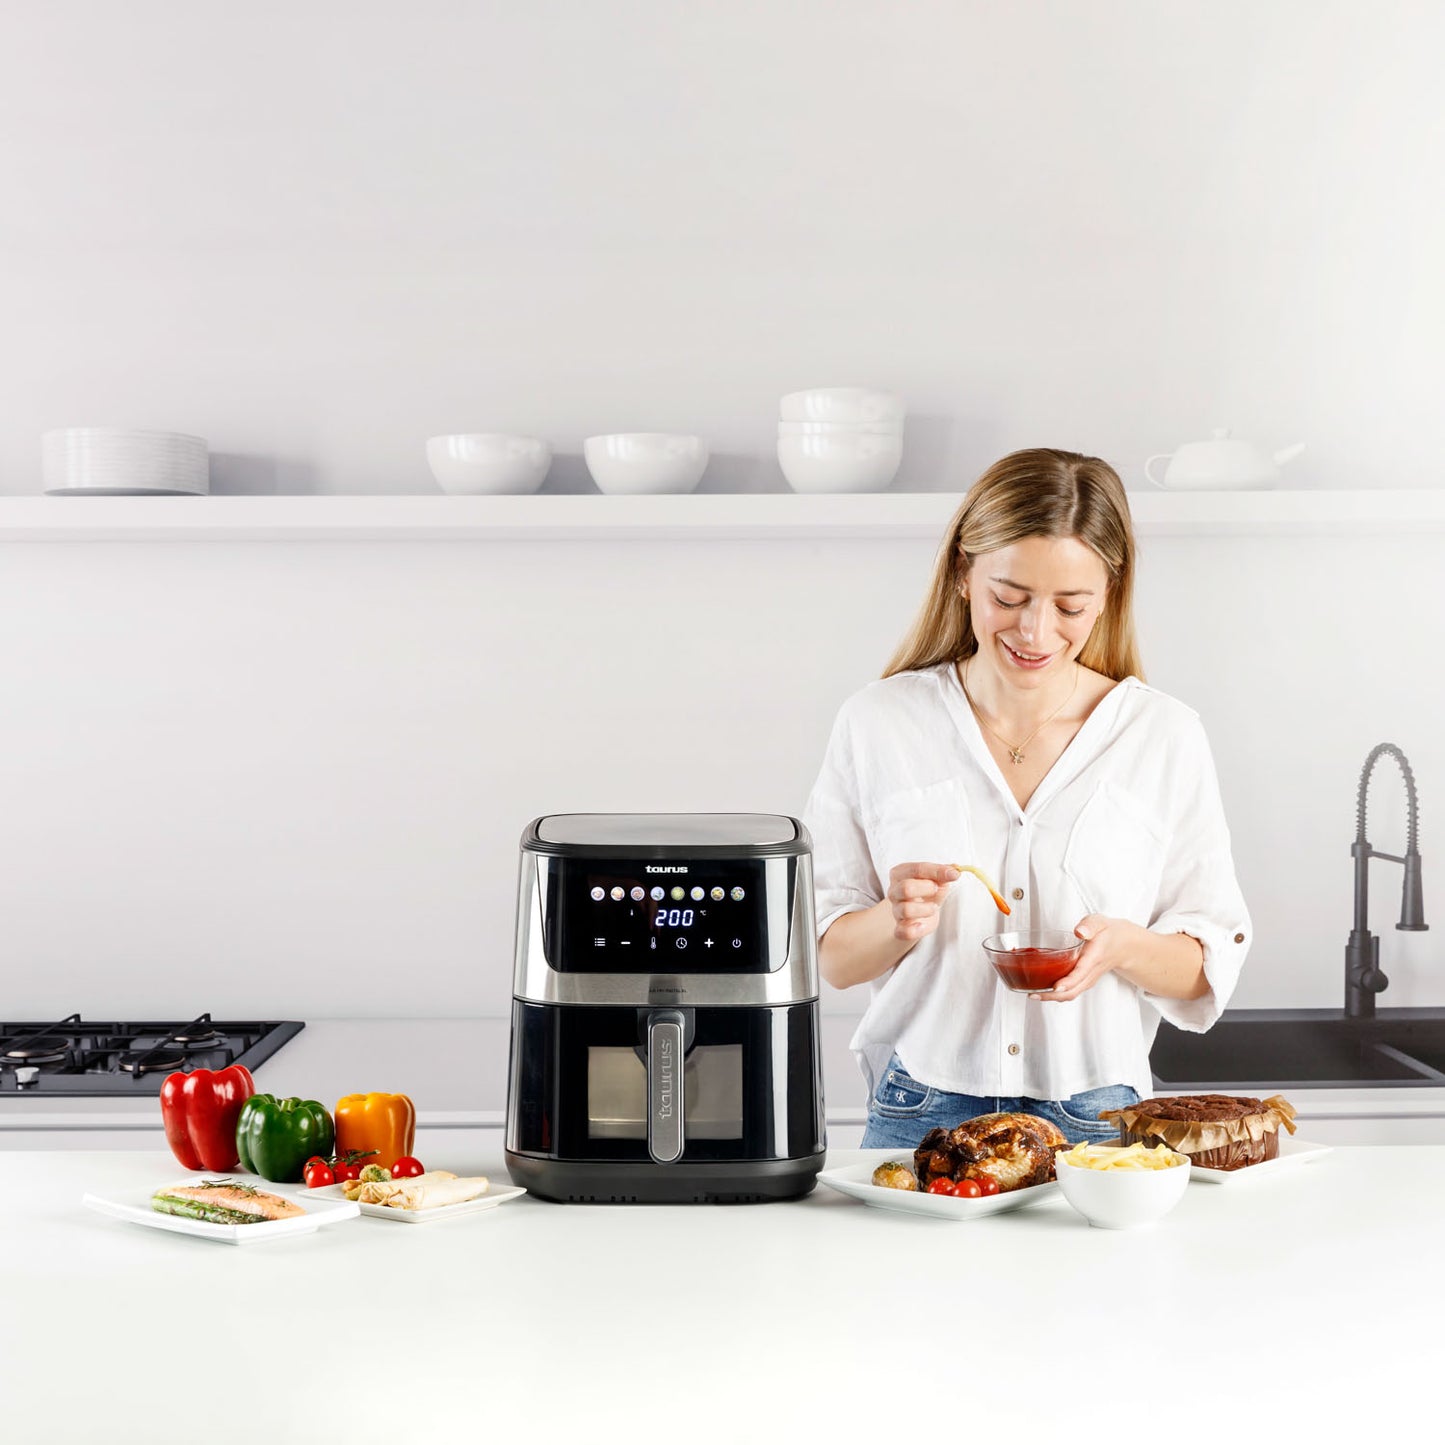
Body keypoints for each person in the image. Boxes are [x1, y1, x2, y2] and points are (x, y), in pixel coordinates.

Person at [802, 448, 1251, 1148]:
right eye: (1008, 598)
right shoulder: (879, 722)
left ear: (1108, 594)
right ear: (962, 573)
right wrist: (895, 919)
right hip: (921, 1111)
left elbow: (1203, 968)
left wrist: (1122, 947)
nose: (1036, 632)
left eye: (1070, 605)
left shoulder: (1162, 735)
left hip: (1096, 1117)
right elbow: (830, 957)